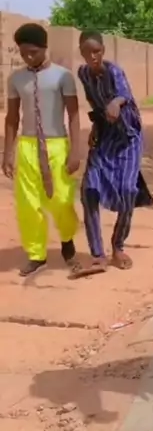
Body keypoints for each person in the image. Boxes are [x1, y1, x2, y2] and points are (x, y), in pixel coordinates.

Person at [1, 23, 81, 277]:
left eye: (33, 52)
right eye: (23, 53)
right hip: (28, 145)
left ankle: (67, 240)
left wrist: (75, 151)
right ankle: (36, 254)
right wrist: (8, 153)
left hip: (57, 145)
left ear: (44, 48)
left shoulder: (62, 76)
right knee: (28, 203)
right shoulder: (16, 79)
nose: (28, 57)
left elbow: (74, 114)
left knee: (61, 200)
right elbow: (12, 118)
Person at [74, 30, 153, 277]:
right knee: (89, 190)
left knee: (128, 190)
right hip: (106, 137)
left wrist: (116, 103)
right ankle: (97, 254)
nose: (92, 56)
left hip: (128, 137)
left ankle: (118, 246)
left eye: (96, 51)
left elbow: (124, 95)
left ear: (103, 51)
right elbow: (94, 104)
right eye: (87, 52)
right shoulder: (83, 73)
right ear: (81, 53)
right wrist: (96, 127)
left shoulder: (114, 71)